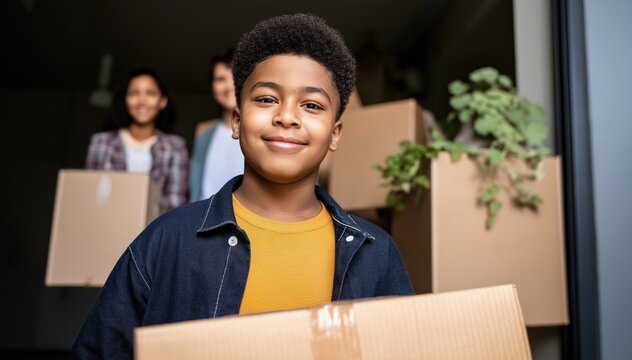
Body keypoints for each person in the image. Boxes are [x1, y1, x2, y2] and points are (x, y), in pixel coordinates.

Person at [73, 14, 413, 359]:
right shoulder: (166, 241)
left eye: (311, 105)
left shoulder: (377, 255)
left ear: (334, 134)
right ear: (237, 120)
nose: (287, 116)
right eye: (267, 99)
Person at [85, 67, 189, 210]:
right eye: (134, 93)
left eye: (150, 93)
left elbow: (175, 204)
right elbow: (89, 196)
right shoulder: (101, 143)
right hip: (107, 225)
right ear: (125, 99)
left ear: (162, 101)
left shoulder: (176, 147)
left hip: (156, 229)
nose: (142, 100)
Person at [189, 49, 245, 201]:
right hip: (204, 220)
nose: (228, 86)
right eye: (220, 79)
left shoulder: (266, 128)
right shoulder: (203, 131)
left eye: (235, 77)